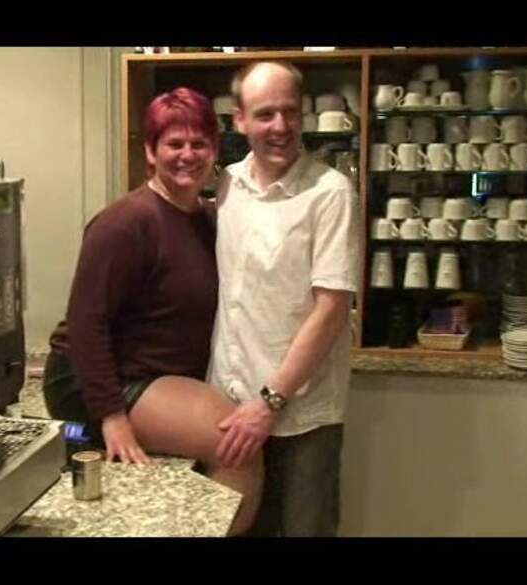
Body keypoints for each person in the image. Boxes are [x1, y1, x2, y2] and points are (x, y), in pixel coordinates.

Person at [42, 87, 262, 535]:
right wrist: (112, 416)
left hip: (153, 375)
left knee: (240, 439)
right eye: (174, 144)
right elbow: (86, 323)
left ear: (215, 150)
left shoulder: (208, 219)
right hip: (94, 379)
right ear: (150, 151)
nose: (187, 155)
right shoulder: (125, 222)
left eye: (199, 143)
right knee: (237, 445)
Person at [208, 61, 362, 537]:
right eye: (265, 114)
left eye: (289, 112)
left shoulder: (330, 193)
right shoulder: (227, 184)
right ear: (239, 120)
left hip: (301, 416)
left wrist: (268, 403)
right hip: (230, 407)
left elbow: (331, 310)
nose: (280, 126)